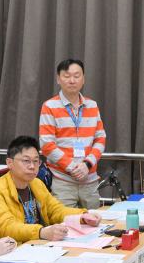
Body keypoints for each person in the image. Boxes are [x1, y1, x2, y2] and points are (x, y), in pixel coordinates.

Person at [39, 59, 107, 209]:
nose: (72, 80)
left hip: (90, 180)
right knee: (65, 227)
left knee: (94, 224)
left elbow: (100, 139)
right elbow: (47, 145)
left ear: (83, 79)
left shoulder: (92, 106)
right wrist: (73, 168)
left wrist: (87, 165)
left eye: (76, 76)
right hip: (62, 180)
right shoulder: (49, 106)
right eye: (66, 76)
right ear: (58, 79)